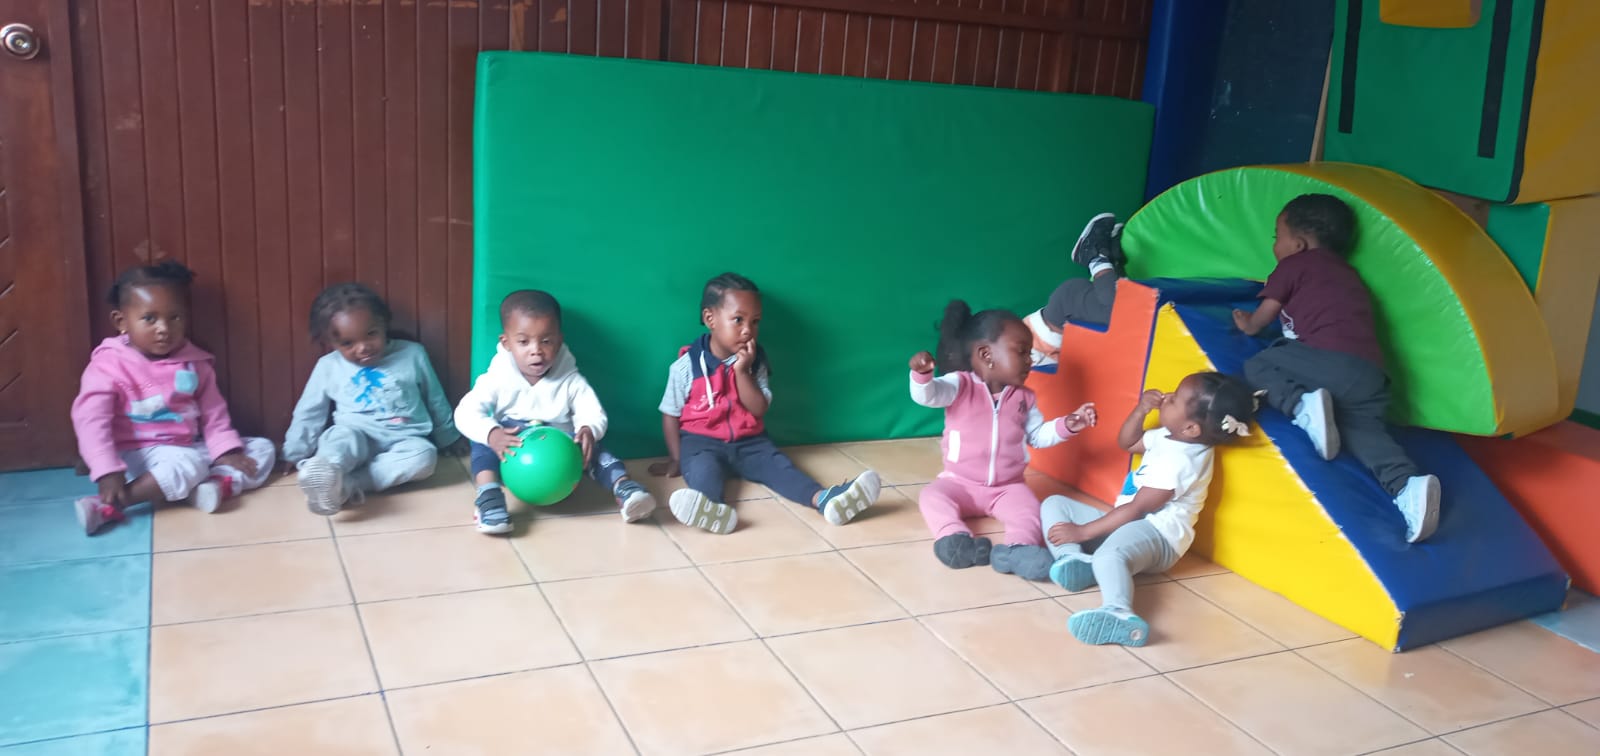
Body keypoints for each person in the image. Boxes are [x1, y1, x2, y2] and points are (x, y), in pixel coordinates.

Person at [1233, 194, 1441, 543]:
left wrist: (1248, 324)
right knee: (1365, 434)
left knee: (1259, 364)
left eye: (1276, 236)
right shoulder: (1349, 274)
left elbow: (1265, 315)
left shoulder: (1295, 265)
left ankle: (1302, 405)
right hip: (1369, 374)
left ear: (1298, 243)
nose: (1275, 245)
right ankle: (1407, 485)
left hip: (1326, 360)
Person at [650, 272, 881, 534]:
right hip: (701, 443)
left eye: (755, 321)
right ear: (710, 318)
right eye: (738, 320)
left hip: (751, 443)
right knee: (702, 471)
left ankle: (825, 500)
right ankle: (712, 509)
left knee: (780, 468)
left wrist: (742, 372)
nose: (748, 330)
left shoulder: (755, 361)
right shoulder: (686, 366)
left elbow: (758, 408)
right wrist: (676, 458)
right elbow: (670, 414)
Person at [1043, 372, 1257, 646]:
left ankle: (1119, 612)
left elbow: (1137, 510)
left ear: (1191, 428)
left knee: (1109, 554)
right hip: (1130, 521)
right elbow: (1128, 443)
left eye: (1175, 399)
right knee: (1054, 504)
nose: (1167, 397)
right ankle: (1074, 560)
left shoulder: (1182, 462)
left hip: (1159, 536)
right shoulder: (1171, 436)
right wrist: (1141, 410)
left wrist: (1083, 533)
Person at [70, 261, 276, 535]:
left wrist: (225, 451)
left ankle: (213, 485)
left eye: (174, 317)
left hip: (186, 447)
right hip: (135, 456)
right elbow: (90, 421)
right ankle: (112, 504)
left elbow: (214, 414)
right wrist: (107, 470)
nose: (164, 328)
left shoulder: (195, 363)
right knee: (187, 464)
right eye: (149, 318)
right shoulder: (108, 366)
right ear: (121, 322)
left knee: (262, 448)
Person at [909, 300, 1096, 580]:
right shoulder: (960, 385)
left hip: (1007, 488)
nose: (1030, 360)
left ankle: (1018, 550)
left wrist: (1067, 425)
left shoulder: (1025, 398)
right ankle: (953, 538)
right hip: (959, 483)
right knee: (931, 496)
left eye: (1030, 353)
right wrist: (922, 376)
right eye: (1022, 352)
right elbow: (929, 396)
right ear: (986, 354)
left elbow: (1037, 435)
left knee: (1031, 510)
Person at [455, 290, 656, 534]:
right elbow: (465, 412)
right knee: (482, 442)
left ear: (559, 341)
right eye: (523, 342)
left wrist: (588, 429)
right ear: (507, 343)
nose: (536, 351)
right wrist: (492, 434)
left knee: (593, 446)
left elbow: (593, 412)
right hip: (512, 443)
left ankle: (625, 489)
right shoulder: (496, 379)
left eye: (546, 341)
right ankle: (489, 498)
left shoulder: (571, 380)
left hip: (563, 445)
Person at [283, 283, 464, 516]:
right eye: (348, 343)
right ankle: (327, 471)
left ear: (383, 324)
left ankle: (347, 486)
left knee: (425, 457)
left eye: (371, 334)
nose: (363, 347)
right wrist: (295, 451)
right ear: (330, 342)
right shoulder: (328, 366)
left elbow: (435, 398)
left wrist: (448, 437)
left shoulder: (412, 354)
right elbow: (310, 411)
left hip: (405, 439)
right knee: (338, 441)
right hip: (354, 434)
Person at [1026, 213, 1126, 366]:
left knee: (1118, 315)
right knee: (1127, 318)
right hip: (1071, 322)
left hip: (1065, 309)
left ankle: (1094, 255)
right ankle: (1110, 261)